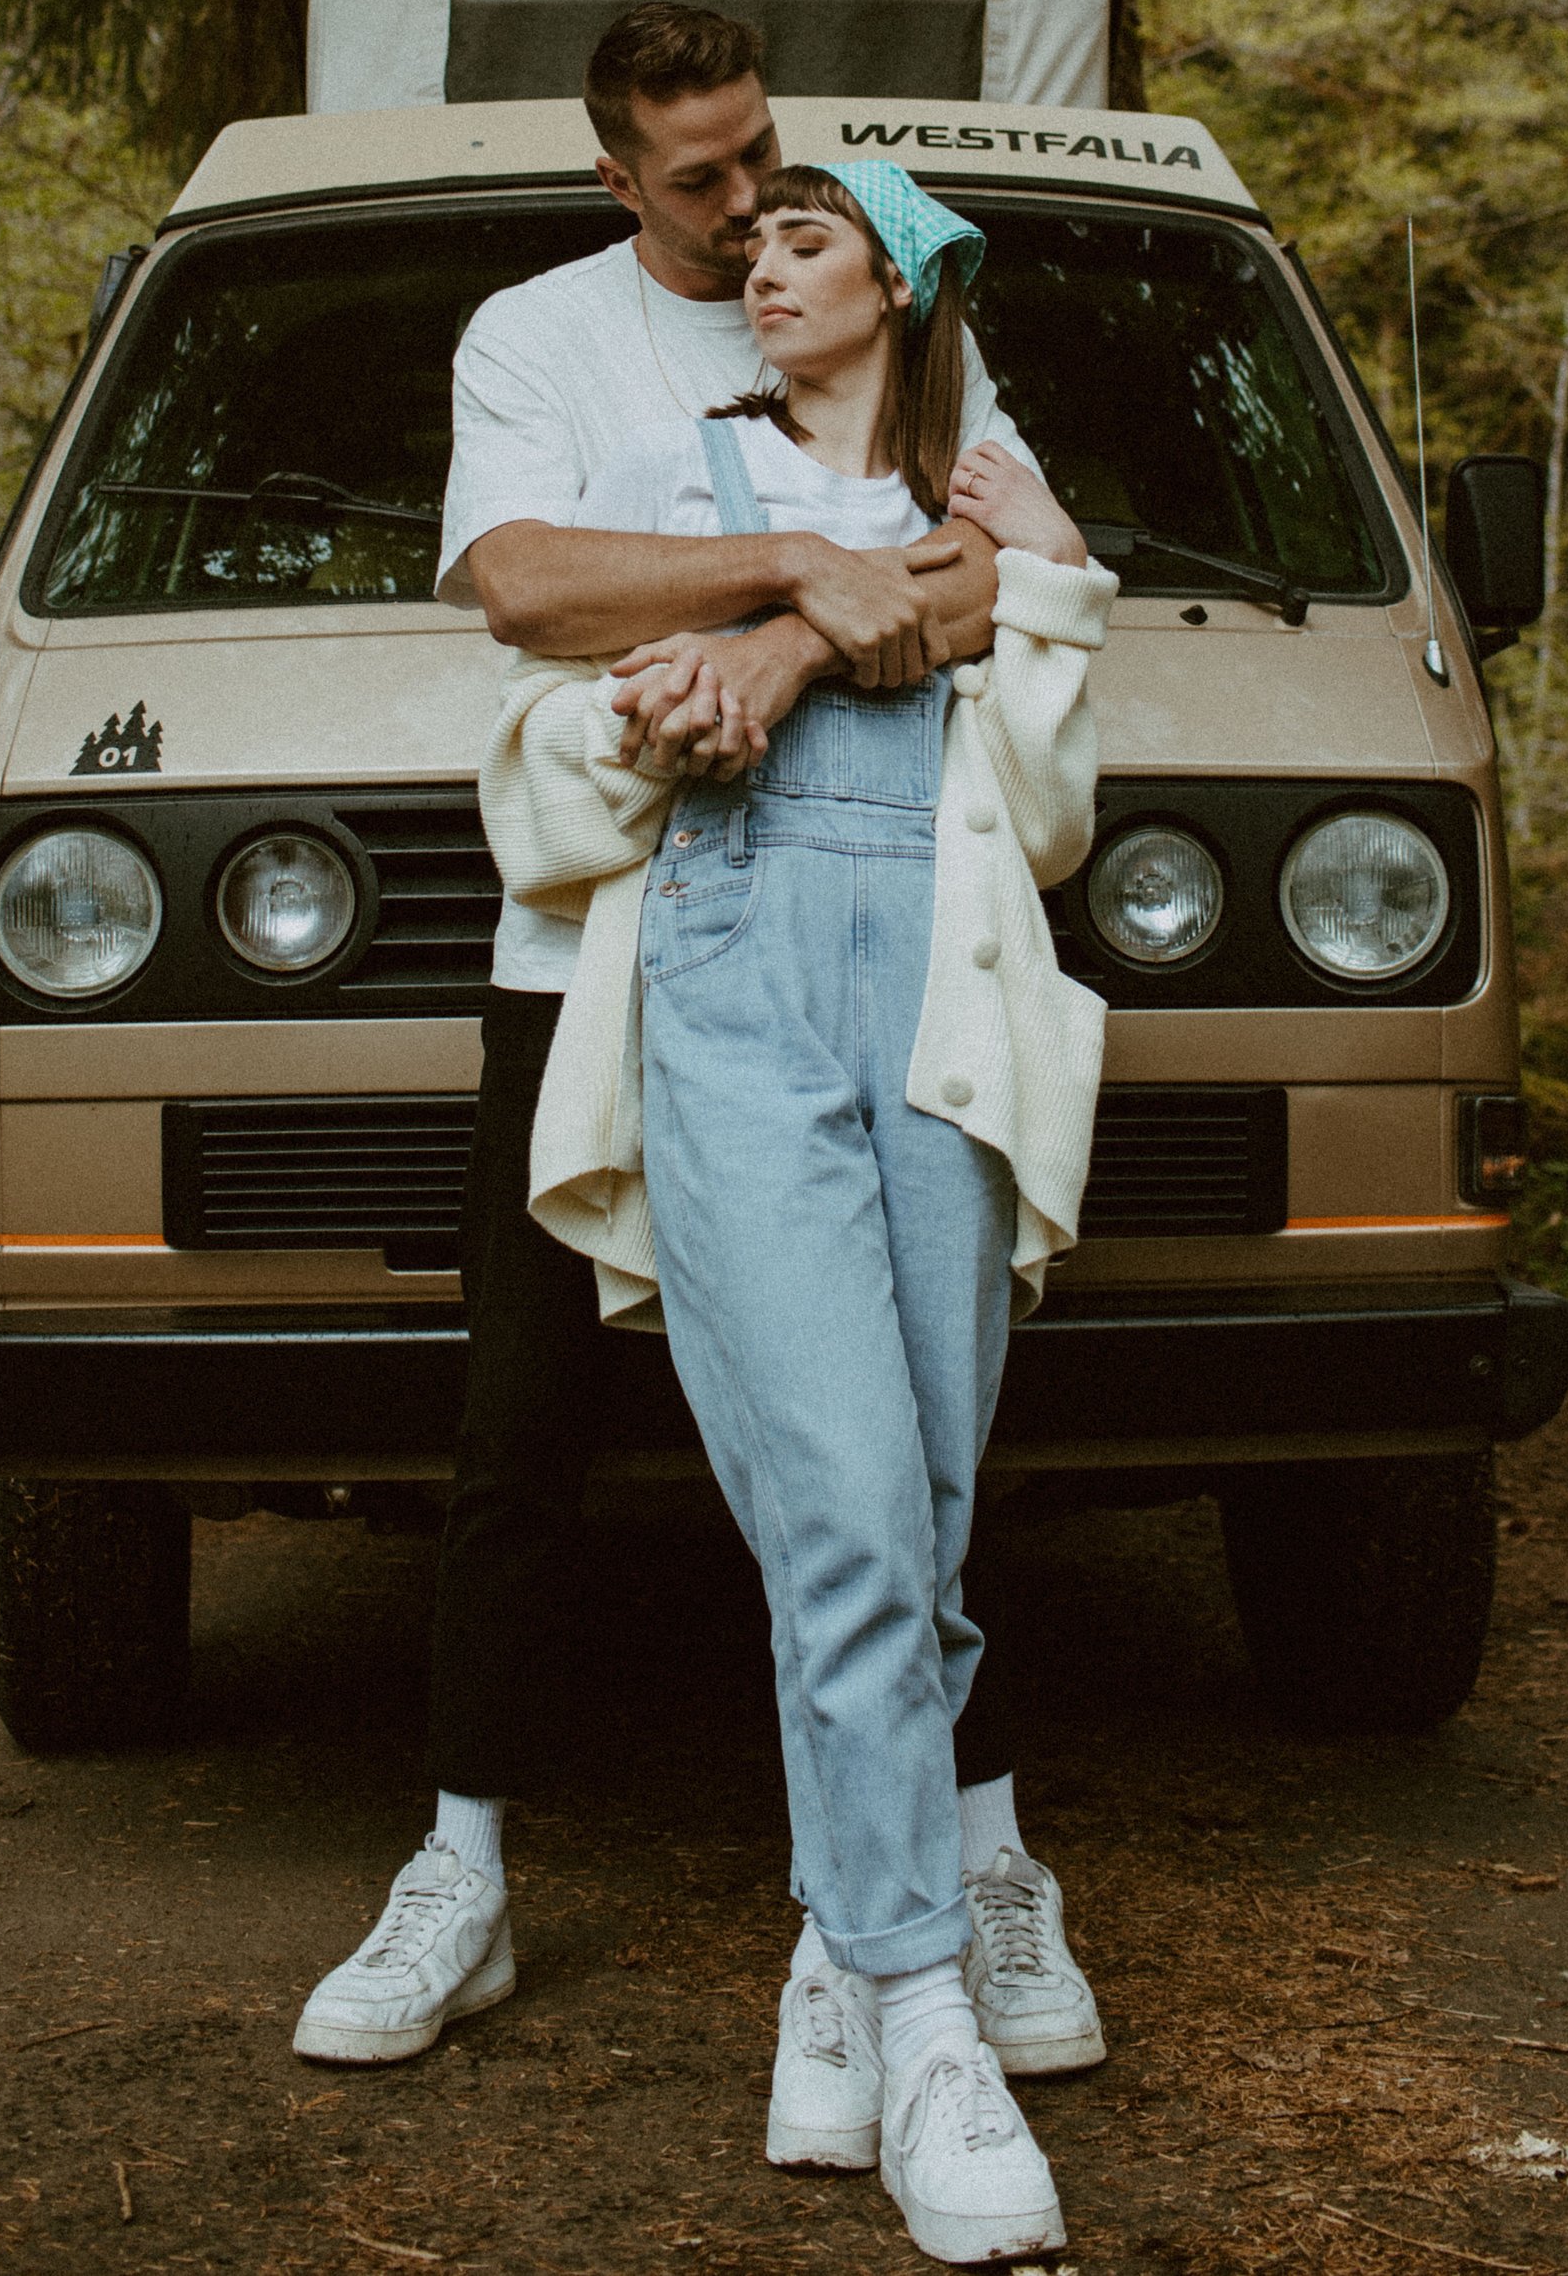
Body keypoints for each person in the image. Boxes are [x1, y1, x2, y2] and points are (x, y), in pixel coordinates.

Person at [294, 10, 1105, 2118]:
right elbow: (525, 585)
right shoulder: (544, 343)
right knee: (524, 1411)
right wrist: (790, 568)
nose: (747, 210)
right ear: (613, 182)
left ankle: (965, 1861)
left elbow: (982, 548)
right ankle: (461, 1864)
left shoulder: (882, 299)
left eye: (766, 165)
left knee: (921, 1423)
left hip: (877, 934)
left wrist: (775, 636)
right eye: (699, 181)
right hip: (597, 940)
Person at [485, 161, 1116, 2263]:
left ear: (902, 285)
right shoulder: (674, 478)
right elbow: (541, 767)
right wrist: (672, 691)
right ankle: (932, 2008)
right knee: (843, 1498)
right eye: (744, 246)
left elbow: (1039, 820)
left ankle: (834, 1953)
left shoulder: (994, 492)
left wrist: (1047, 590)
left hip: (931, 993)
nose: (756, 269)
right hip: (728, 967)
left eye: (804, 244)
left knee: (918, 1515)